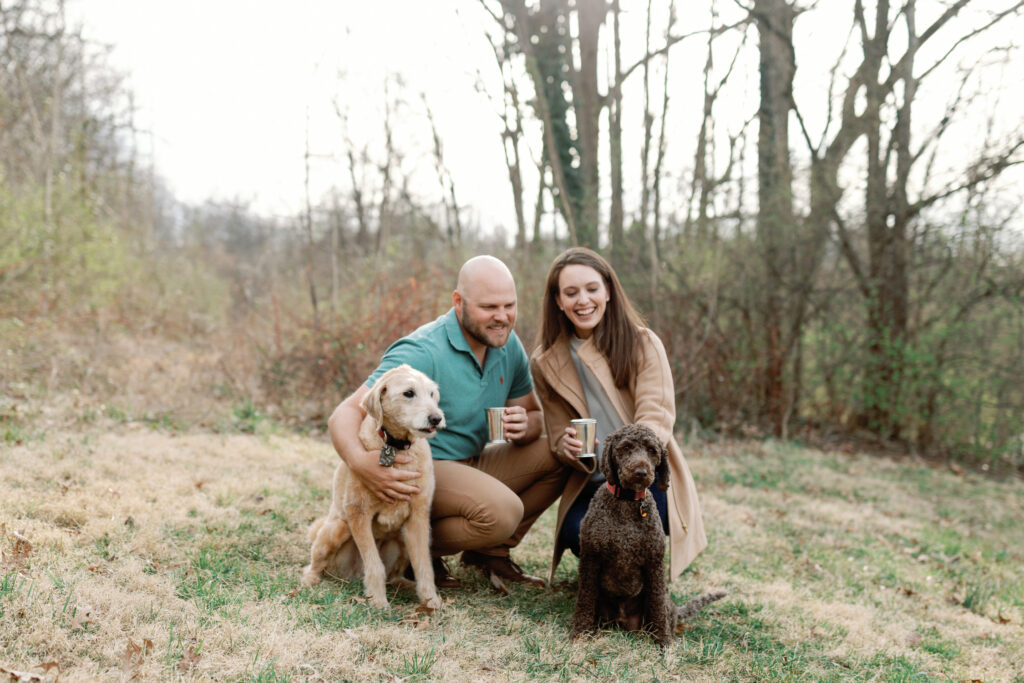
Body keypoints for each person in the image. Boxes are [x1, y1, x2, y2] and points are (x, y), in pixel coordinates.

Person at [326, 255, 566, 589]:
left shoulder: (507, 343)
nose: (502, 317)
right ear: (458, 302)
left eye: (509, 305)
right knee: (502, 512)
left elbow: (533, 414)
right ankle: (408, 552)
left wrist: (527, 426)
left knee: (560, 451)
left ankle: (490, 554)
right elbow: (345, 413)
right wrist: (361, 463)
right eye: (489, 307)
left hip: (474, 461)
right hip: (423, 465)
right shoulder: (422, 350)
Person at [529, 247, 707, 583]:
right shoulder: (545, 361)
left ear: (608, 291)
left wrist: (630, 462)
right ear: (558, 301)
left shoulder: (642, 343)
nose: (583, 300)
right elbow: (555, 433)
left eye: (592, 289)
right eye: (571, 292)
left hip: (645, 476)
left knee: (644, 522)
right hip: (595, 480)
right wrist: (566, 448)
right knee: (576, 530)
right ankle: (614, 575)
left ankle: (640, 575)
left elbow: (656, 418)